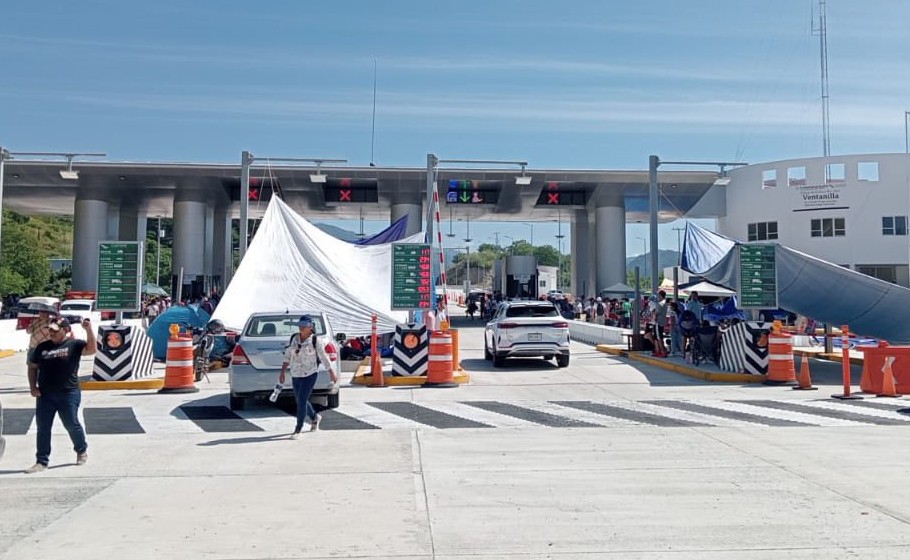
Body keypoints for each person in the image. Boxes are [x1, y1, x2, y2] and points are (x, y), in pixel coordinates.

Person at [25, 317, 96, 473]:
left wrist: (89, 330)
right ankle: (41, 461)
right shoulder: (42, 347)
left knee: (71, 423)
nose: (52, 333)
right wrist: (33, 387)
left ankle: (81, 449)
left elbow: (91, 350)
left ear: (65, 330)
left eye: (55, 331)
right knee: (43, 427)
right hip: (45, 394)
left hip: (68, 392)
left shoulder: (74, 344)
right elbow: (32, 367)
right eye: (50, 330)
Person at [278, 315, 337, 439]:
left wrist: (331, 371)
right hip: (295, 373)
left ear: (310, 327)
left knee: (302, 399)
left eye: (304, 326)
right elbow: (288, 355)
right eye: (300, 325)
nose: (301, 328)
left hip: (310, 373)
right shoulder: (294, 338)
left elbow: (323, 357)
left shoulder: (315, 340)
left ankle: (298, 429)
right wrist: (283, 371)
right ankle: (315, 417)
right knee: (300, 399)